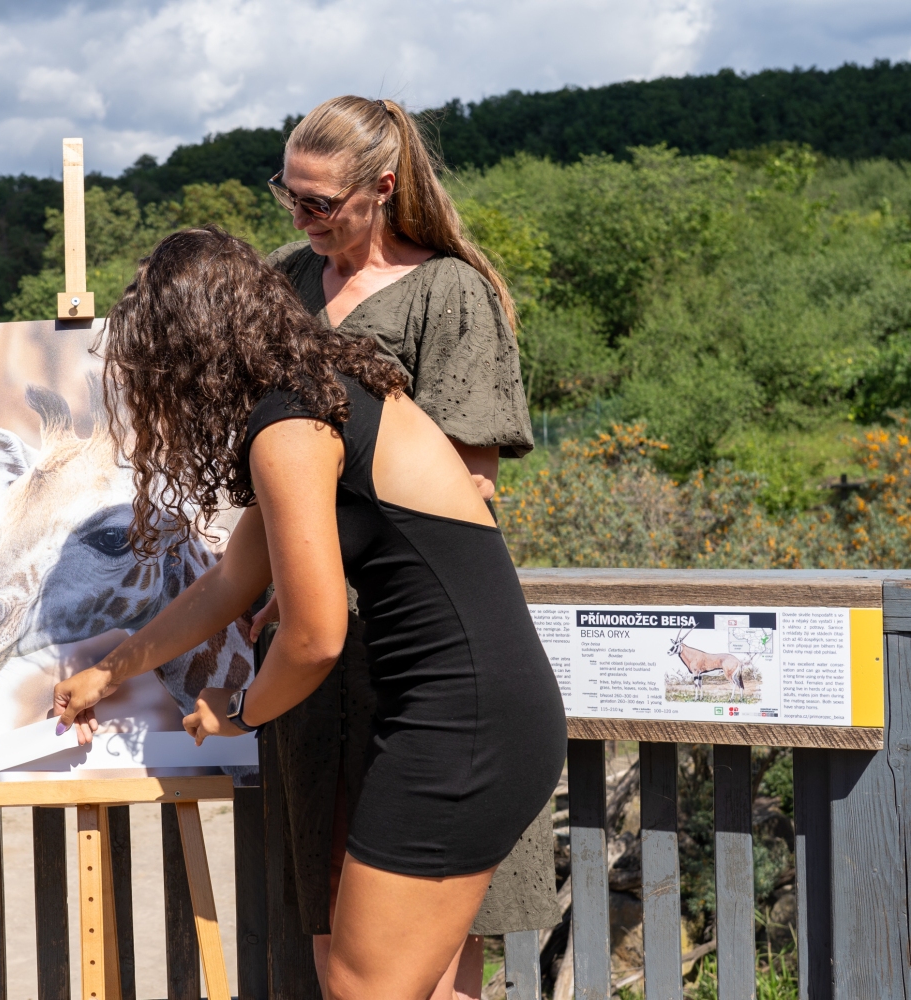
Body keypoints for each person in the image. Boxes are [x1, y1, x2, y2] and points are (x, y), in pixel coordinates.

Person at [53, 227, 567, 1000]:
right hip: (474, 710)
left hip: (462, 721)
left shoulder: (291, 426)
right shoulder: (315, 396)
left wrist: (241, 714)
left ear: (195, 351)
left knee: (365, 988)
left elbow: (315, 636)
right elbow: (230, 583)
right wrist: (108, 667)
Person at [260, 95, 557, 999]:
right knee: (330, 926)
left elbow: (470, 489)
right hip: (316, 660)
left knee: (433, 963)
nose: (303, 218)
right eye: (289, 195)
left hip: (421, 656)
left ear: (382, 188)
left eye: (321, 201)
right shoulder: (280, 283)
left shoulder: (450, 292)